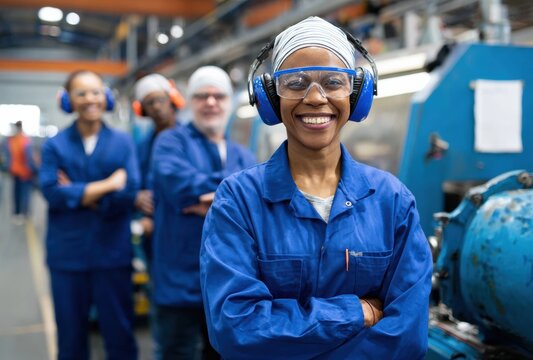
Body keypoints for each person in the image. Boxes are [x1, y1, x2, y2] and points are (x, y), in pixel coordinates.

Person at [200, 17, 433, 359]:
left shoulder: (393, 201)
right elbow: (235, 328)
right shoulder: (238, 201)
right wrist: (354, 313)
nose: (315, 98)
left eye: (333, 82)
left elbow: (407, 337)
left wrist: (288, 337)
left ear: (356, 93)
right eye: (294, 83)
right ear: (269, 97)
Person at [150, 65, 256, 359]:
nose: (211, 102)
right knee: (177, 353)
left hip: (230, 283)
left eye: (219, 96)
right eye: (202, 96)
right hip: (179, 282)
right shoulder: (170, 142)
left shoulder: (243, 154)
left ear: (230, 102)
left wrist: (207, 199)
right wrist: (233, 195)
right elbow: (179, 186)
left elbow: (257, 200)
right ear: (189, 102)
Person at [39, 70, 139, 360]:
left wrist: (79, 194)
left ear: (105, 97)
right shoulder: (55, 145)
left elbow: (129, 192)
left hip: (111, 255)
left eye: (95, 92)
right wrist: (106, 186)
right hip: (67, 259)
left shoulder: (122, 142)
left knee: (119, 336)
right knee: (70, 341)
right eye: (81, 93)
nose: (89, 99)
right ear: (68, 100)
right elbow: (52, 193)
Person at [132, 73, 185, 259]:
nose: (156, 107)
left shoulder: (191, 140)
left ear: (171, 100)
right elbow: (132, 181)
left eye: (161, 100)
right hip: (152, 231)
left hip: (186, 226)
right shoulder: (141, 147)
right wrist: (136, 196)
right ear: (143, 110)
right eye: (150, 103)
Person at [3, 120, 37, 223]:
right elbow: (30, 158)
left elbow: (7, 155)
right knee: (25, 194)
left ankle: (17, 213)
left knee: (17, 194)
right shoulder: (25, 141)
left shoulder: (11, 141)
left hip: (16, 171)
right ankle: (25, 213)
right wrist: (35, 170)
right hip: (25, 172)